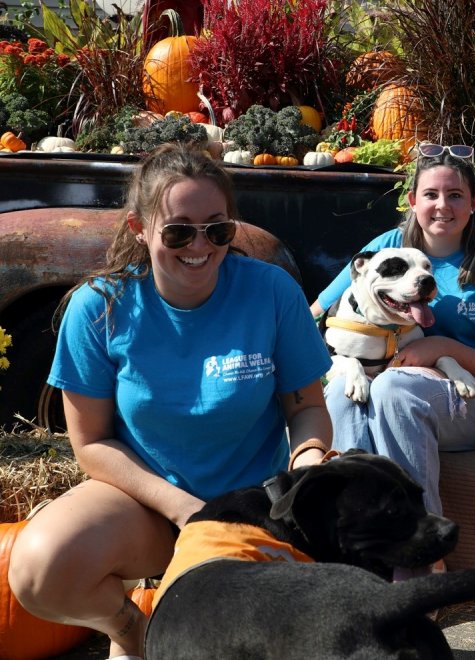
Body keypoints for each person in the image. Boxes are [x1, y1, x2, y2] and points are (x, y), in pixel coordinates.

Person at [8, 143, 333, 660]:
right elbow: (91, 444)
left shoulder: (271, 291)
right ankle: (135, 633)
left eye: (217, 229)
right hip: (146, 504)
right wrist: (183, 509)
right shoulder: (99, 308)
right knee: (38, 569)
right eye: (179, 230)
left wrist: (309, 462)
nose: (199, 245)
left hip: (251, 510)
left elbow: (306, 408)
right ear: (139, 227)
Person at [309, 144, 475, 528]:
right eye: (431, 194)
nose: (442, 205)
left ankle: (421, 543)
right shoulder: (386, 248)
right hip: (392, 384)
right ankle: (352, 534)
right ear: (413, 200)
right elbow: (317, 312)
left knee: (392, 390)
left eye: (455, 195)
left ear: (473, 203)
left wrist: (443, 347)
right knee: (340, 394)